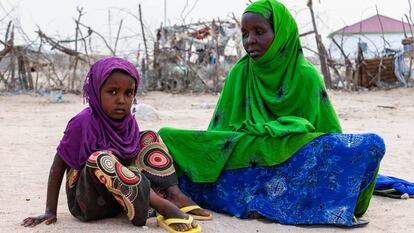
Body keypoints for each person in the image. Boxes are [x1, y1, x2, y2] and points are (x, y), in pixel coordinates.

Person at [158, 0, 385, 227]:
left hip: (294, 158)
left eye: (259, 32)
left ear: (282, 34)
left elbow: (326, 137)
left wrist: (287, 131)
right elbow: (219, 137)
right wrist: (256, 139)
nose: (250, 41)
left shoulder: (306, 77)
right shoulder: (240, 73)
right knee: (166, 136)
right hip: (248, 152)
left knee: (371, 144)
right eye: (245, 34)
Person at [21, 57, 210, 233]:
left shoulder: (128, 121)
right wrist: (49, 210)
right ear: (96, 91)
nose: (122, 100)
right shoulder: (82, 122)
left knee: (149, 137)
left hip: (120, 199)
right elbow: (58, 164)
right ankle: (161, 205)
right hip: (89, 202)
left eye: (129, 93)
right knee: (101, 158)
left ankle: (173, 194)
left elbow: (130, 160)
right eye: (112, 92)